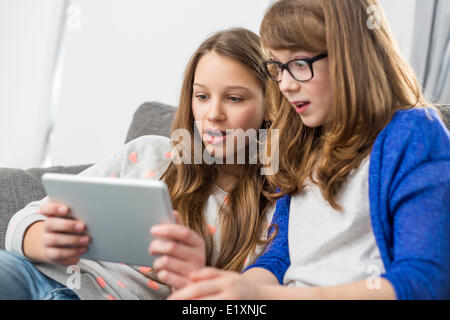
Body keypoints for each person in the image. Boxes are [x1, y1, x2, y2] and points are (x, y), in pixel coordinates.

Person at [168, 0, 450, 300]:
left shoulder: (413, 135)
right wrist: (233, 288)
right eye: (277, 67)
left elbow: (424, 282)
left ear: (351, 58)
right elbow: (279, 259)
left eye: (299, 65)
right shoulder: (298, 144)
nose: (285, 85)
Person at [0, 27, 279, 300]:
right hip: (31, 274)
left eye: (234, 98)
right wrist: (44, 241)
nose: (213, 114)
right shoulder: (149, 153)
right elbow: (22, 221)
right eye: (202, 96)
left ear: (269, 105)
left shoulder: (271, 213)